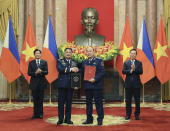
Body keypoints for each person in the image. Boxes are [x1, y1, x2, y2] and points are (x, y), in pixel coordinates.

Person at [82, 46, 104, 126]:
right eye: (87, 51)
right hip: (88, 86)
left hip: (97, 86)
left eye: (90, 51)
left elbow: (102, 72)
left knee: (98, 103)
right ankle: (89, 119)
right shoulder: (84, 62)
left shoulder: (99, 61)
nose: (88, 53)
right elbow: (82, 73)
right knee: (88, 104)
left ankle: (100, 119)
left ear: (94, 52)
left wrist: (95, 79)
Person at [56, 48, 79, 125]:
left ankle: (68, 119)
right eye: (67, 52)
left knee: (69, 103)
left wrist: (76, 84)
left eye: (70, 52)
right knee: (61, 103)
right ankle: (60, 119)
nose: (68, 53)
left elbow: (76, 73)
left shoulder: (74, 62)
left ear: (72, 54)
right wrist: (71, 69)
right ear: (64, 53)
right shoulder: (60, 61)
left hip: (70, 86)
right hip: (62, 85)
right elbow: (60, 69)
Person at [122, 49, 143, 120]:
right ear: (129, 54)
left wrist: (135, 69)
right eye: (131, 53)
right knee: (128, 101)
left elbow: (141, 72)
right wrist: (130, 71)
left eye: (134, 53)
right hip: (128, 85)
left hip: (137, 85)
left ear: (136, 55)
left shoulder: (139, 63)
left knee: (137, 100)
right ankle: (128, 114)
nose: (132, 55)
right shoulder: (126, 63)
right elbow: (123, 71)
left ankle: (137, 115)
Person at [28, 49, 48, 119]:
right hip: (34, 84)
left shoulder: (44, 62)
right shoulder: (31, 62)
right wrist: (35, 73)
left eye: (39, 53)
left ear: (40, 54)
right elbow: (29, 73)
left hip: (41, 83)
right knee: (35, 99)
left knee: (40, 99)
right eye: (36, 53)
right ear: (34, 54)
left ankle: (40, 114)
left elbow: (46, 72)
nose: (37, 54)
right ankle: (35, 114)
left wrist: (41, 71)